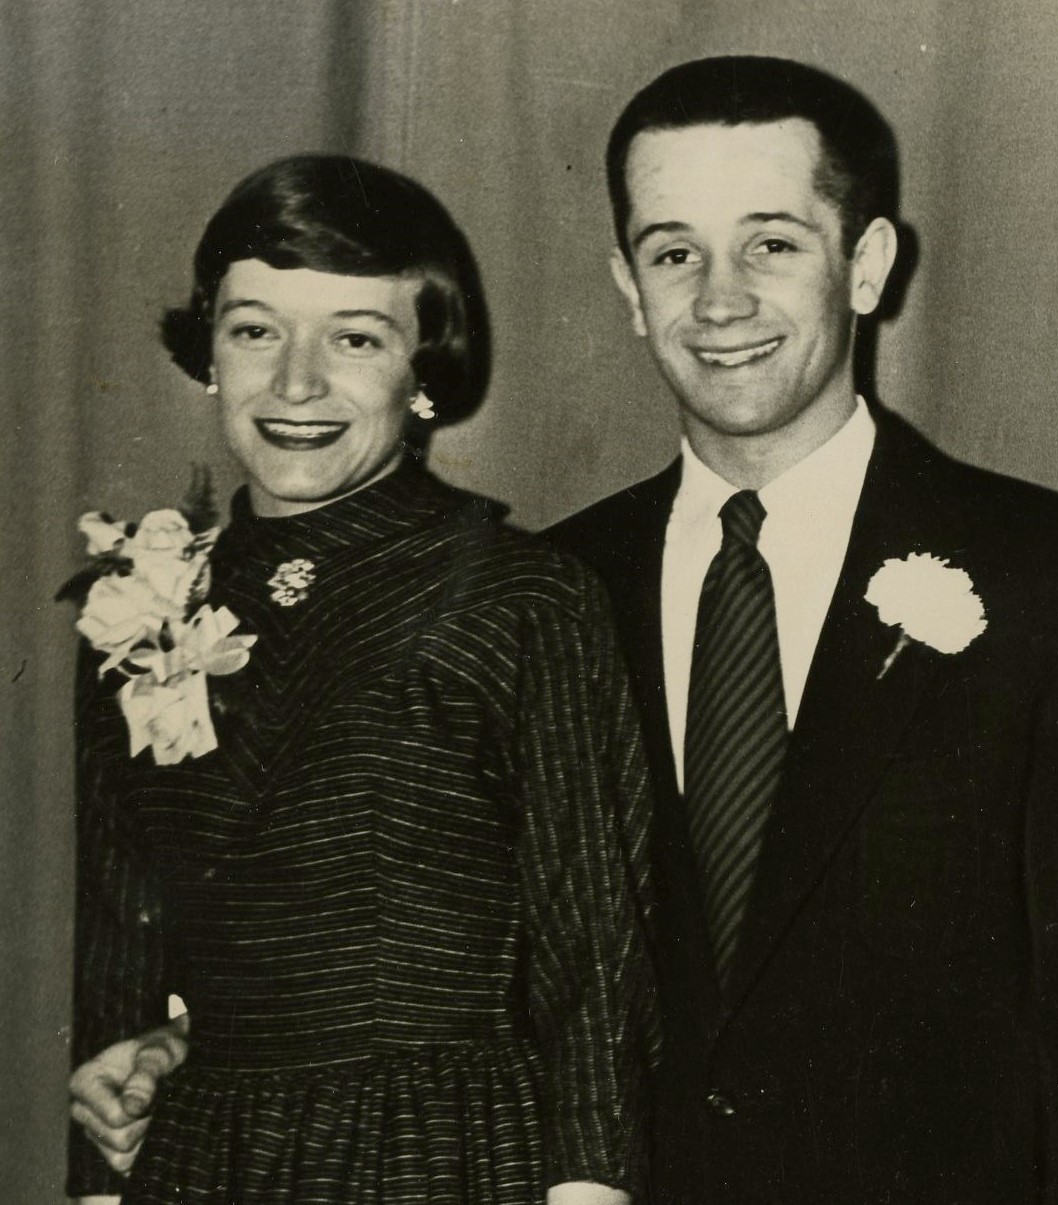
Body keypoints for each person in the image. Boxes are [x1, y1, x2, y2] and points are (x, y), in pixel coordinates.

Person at [549, 57, 1058, 1202]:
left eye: (770, 244)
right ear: (625, 282)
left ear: (865, 265)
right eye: (672, 252)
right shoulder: (546, 590)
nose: (717, 301)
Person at [65, 154, 653, 1205]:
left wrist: (589, 1188)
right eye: (255, 330)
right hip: (207, 1152)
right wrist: (103, 1170)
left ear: (422, 372)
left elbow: (593, 953)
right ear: (208, 353)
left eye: (354, 337)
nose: (295, 383)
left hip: (442, 1148)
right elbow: (120, 930)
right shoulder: (136, 598)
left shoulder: (523, 597)